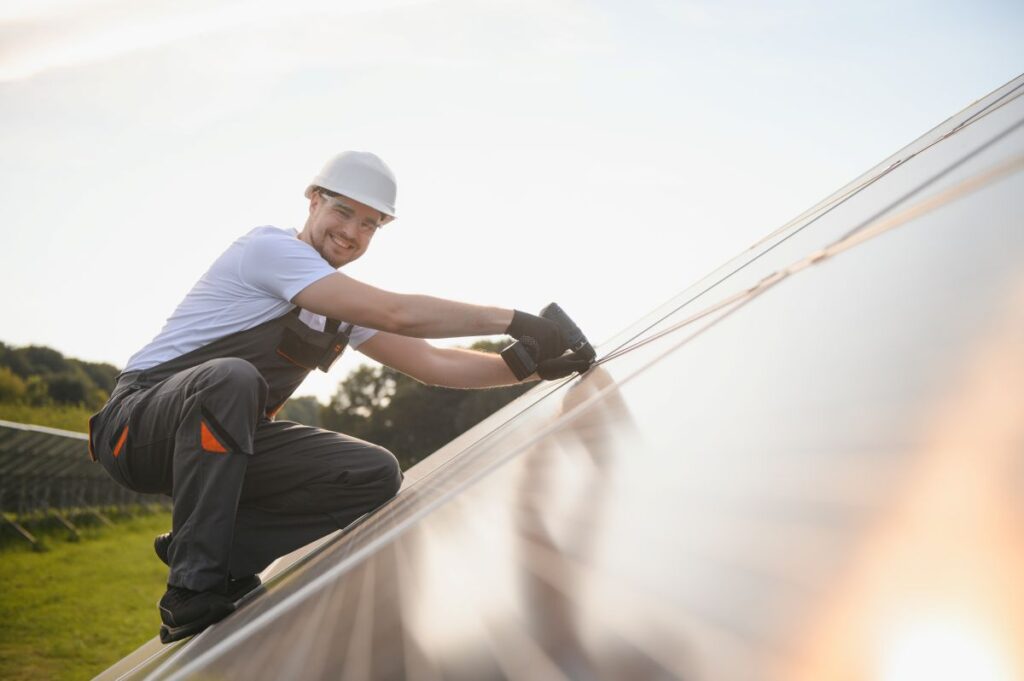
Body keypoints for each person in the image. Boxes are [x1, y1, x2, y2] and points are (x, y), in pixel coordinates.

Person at [87, 151, 593, 643]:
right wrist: (512, 319)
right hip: (136, 428)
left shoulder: (337, 308)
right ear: (312, 200)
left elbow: (433, 363)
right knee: (231, 378)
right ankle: (191, 590)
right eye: (343, 211)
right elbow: (397, 313)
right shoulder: (267, 250)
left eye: (370, 224)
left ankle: (218, 551)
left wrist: (523, 369)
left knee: (374, 473)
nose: (352, 232)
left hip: (223, 443)